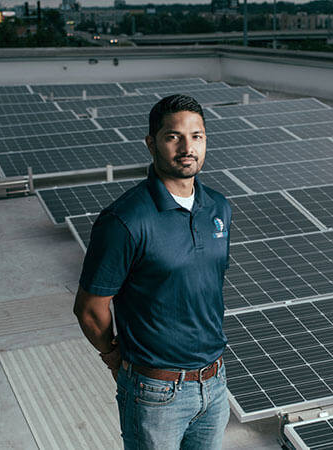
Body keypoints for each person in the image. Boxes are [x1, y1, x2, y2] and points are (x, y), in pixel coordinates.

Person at [73, 94, 232, 450]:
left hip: (215, 381)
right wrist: (114, 358)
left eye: (197, 136)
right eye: (173, 136)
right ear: (152, 143)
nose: (187, 147)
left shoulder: (219, 208)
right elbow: (89, 308)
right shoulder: (125, 220)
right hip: (155, 392)